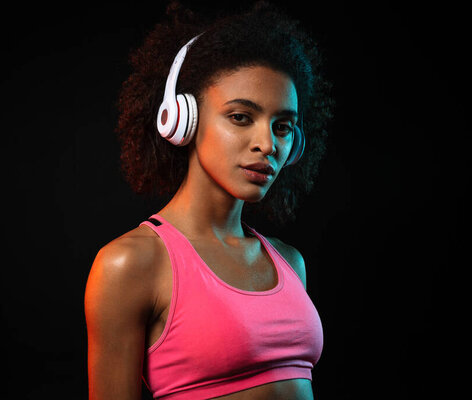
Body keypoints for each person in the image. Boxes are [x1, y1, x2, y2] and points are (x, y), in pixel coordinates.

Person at [85, 1, 334, 399]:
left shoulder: (289, 262)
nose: (268, 144)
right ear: (182, 119)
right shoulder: (131, 264)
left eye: (283, 126)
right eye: (240, 117)